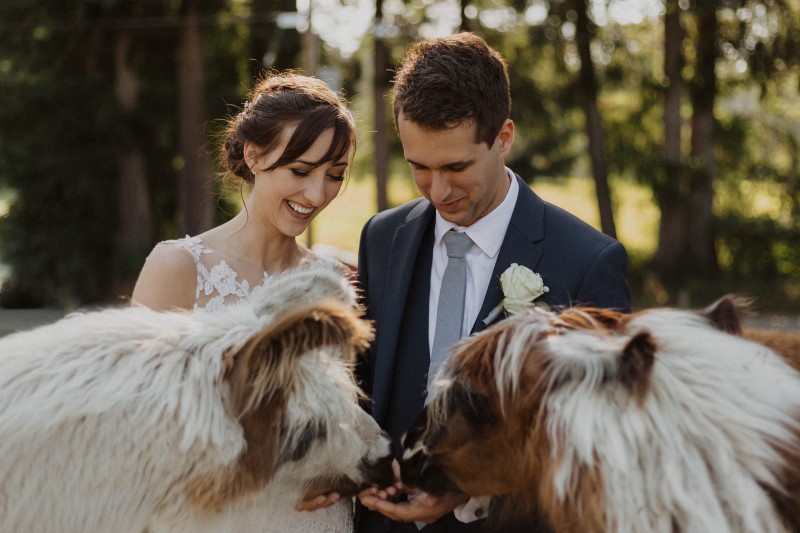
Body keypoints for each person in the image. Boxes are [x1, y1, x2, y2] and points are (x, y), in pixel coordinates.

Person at [355, 32, 630, 533]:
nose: (438, 190)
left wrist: (467, 490)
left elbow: (598, 448)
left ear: (503, 137)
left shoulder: (588, 262)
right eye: (419, 166)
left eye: (456, 166)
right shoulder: (382, 238)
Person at [131, 71, 357, 532]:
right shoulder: (177, 268)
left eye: (334, 176)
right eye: (300, 171)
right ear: (254, 156)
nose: (317, 195)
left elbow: (347, 421)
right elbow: (133, 425)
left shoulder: (334, 284)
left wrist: (341, 470)